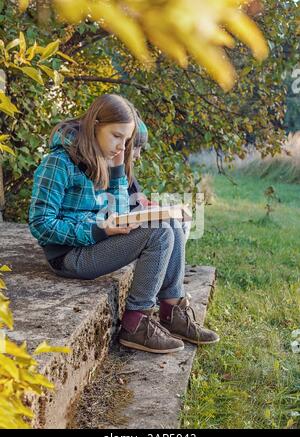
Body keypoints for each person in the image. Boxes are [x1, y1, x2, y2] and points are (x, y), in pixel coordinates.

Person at [29, 93, 219, 354]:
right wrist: (99, 230)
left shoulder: (101, 159)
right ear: (95, 123)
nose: (122, 147)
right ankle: (135, 324)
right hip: (68, 256)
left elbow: (117, 210)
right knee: (159, 233)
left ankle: (172, 311)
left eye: (126, 140)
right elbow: (41, 224)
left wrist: (118, 170)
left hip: (95, 243)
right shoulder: (58, 163)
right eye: (117, 136)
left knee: (169, 223)